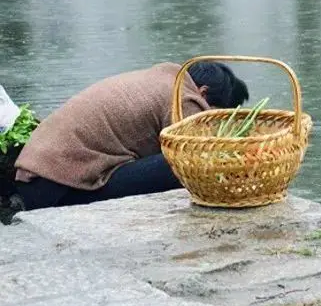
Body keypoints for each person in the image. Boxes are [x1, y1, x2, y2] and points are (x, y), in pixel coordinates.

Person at [0, 61, 249, 223]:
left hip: (34, 178)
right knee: (183, 164)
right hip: (55, 192)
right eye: (215, 114)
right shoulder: (186, 99)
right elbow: (198, 156)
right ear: (203, 93)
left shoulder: (163, 78)